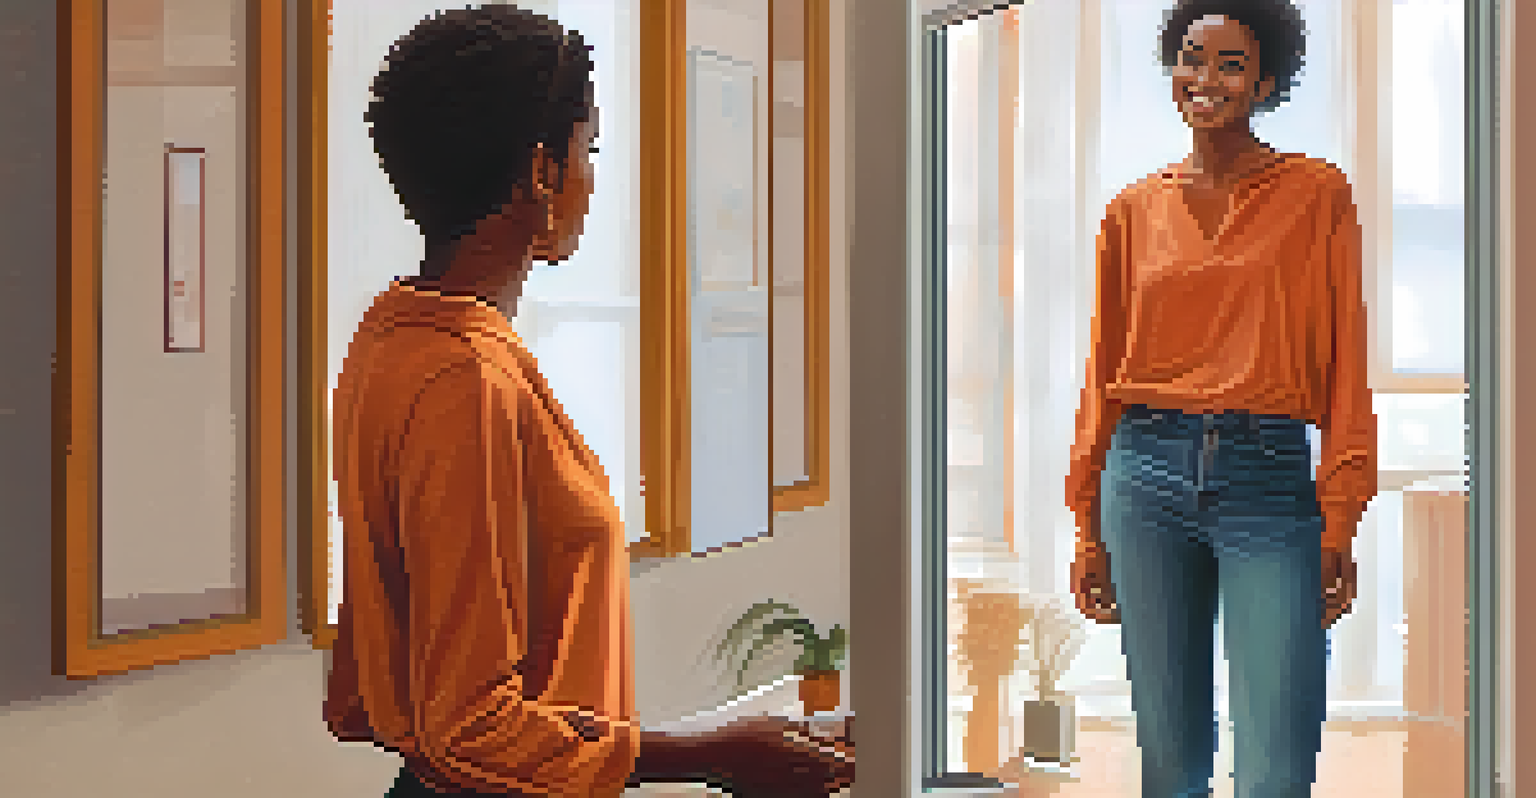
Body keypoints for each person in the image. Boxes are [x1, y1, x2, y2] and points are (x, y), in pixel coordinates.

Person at [321, 6, 853, 797]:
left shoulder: (395, 331)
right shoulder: (464, 378)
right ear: (542, 170)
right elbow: (468, 722)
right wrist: (709, 754)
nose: (592, 176)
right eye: (590, 149)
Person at [1065, 1, 1375, 796]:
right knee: (1170, 760)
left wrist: (1339, 513)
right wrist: (1087, 523)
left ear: (1266, 81)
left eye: (1231, 64)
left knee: (1277, 756)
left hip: (1267, 476)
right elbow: (1104, 373)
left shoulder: (1316, 195)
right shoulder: (1130, 212)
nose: (1205, 80)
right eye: (1192, 59)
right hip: (1143, 474)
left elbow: (1347, 361)